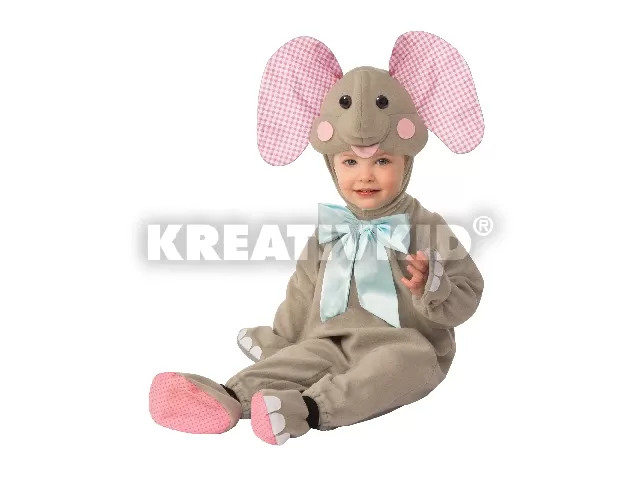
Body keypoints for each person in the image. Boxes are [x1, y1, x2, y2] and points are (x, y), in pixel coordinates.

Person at [149, 31, 485, 446]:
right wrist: (283, 340)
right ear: (332, 164)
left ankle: (305, 410)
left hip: (403, 343)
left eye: (382, 161)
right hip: (329, 341)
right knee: (299, 360)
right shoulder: (329, 232)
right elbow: (302, 291)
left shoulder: (428, 228)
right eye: (350, 162)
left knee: (401, 366)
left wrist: (433, 286)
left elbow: (469, 291)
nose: (365, 176)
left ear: (406, 161)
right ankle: (227, 397)